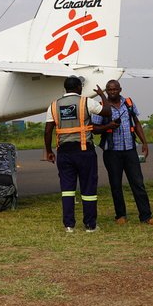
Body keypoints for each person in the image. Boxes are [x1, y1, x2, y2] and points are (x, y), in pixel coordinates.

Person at [44, 76, 111, 233]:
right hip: (84, 151)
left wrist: (48, 151)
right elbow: (107, 111)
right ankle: (90, 225)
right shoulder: (86, 102)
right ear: (79, 87)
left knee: (67, 189)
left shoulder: (53, 106)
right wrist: (102, 95)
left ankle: (69, 225)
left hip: (64, 152)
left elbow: (48, 130)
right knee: (88, 188)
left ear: (65, 88)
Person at [91, 79, 153, 226]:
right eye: (109, 90)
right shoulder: (101, 106)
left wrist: (144, 142)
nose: (112, 92)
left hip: (130, 150)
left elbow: (137, 122)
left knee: (138, 183)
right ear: (106, 91)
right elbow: (94, 129)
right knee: (115, 185)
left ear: (120, 90)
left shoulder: (128, 103)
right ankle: (120, 215)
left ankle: (146, 216)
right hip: (112, 152)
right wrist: (109, 125)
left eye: (115, 89)